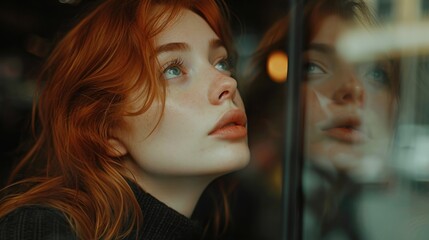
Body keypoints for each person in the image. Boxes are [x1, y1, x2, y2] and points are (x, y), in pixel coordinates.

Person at [0, 0, 250, 239]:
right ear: (104, 129)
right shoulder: (38, 228)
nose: (228, 82)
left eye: (221, 63)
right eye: (172, 69)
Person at [239, 0, 399, 239]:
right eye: (313, 67)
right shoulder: (232, 215)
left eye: (377, 73)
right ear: (273, 102)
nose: (354, 88)